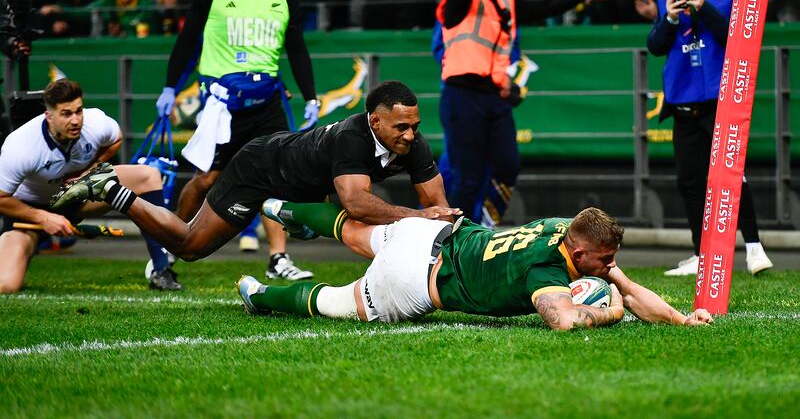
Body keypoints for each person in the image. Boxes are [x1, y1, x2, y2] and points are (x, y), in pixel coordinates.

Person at [50, 81, 461, 264]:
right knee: (190, 246)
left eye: (414, 126)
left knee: (315, 226)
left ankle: (285, 225)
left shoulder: (414, 144)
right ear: (374, 122)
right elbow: (355, 203)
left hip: (302, 184)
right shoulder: (353, 137)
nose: (410, 135)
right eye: (401, 127)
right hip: (260, 167)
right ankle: (113, 189)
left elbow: (439, 207)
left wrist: (452, 239)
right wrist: (416, 216)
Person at [154, 0, 321, 280]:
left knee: (276, 178)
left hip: (267, 100)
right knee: (206, 178)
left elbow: (297, 49)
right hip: (223, 103)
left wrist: (310, 97)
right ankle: (167, 248)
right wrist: (170, 86)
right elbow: (187, 40)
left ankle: (278, 258)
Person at [236, 203, 714, 329]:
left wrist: (679, 319)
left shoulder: (563, 228)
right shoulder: (545, 272)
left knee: (354, 231)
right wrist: (609, 311)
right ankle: (259, 294)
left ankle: (279, 206)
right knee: (334, 303)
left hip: (432, 235)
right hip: (414, 282)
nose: (611, 265)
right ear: (579, 251)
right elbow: (565, 320)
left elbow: (629, 287)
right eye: (604, 260)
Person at [437, 0, 602, 226]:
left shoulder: (506, 0)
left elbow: (548, 6)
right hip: (461, 95)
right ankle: (458, 240)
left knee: (508, 165)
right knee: (467, 176)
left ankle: (484, 226)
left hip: (494, 96)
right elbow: (456, 2)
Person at [646, 0, 773, 277]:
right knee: (689, 181)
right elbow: (655, 46)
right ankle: (701, 255)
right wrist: (670, 18)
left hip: (721, 99)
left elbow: (738, 38)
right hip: (683, 100)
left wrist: (703, 8)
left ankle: (754, 247)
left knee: (732, 176)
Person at [0, 79, 181, 293]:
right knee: (7, 284)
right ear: (49, 116)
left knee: (148, 176)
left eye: (78, 111)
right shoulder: (21, 146)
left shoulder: (95, 123)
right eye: (66, 114)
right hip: (29, 214)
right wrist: (43, 218)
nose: (75, 120)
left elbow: (116, 139)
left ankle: (161, 270)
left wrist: (90, 170)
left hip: (78, 199)